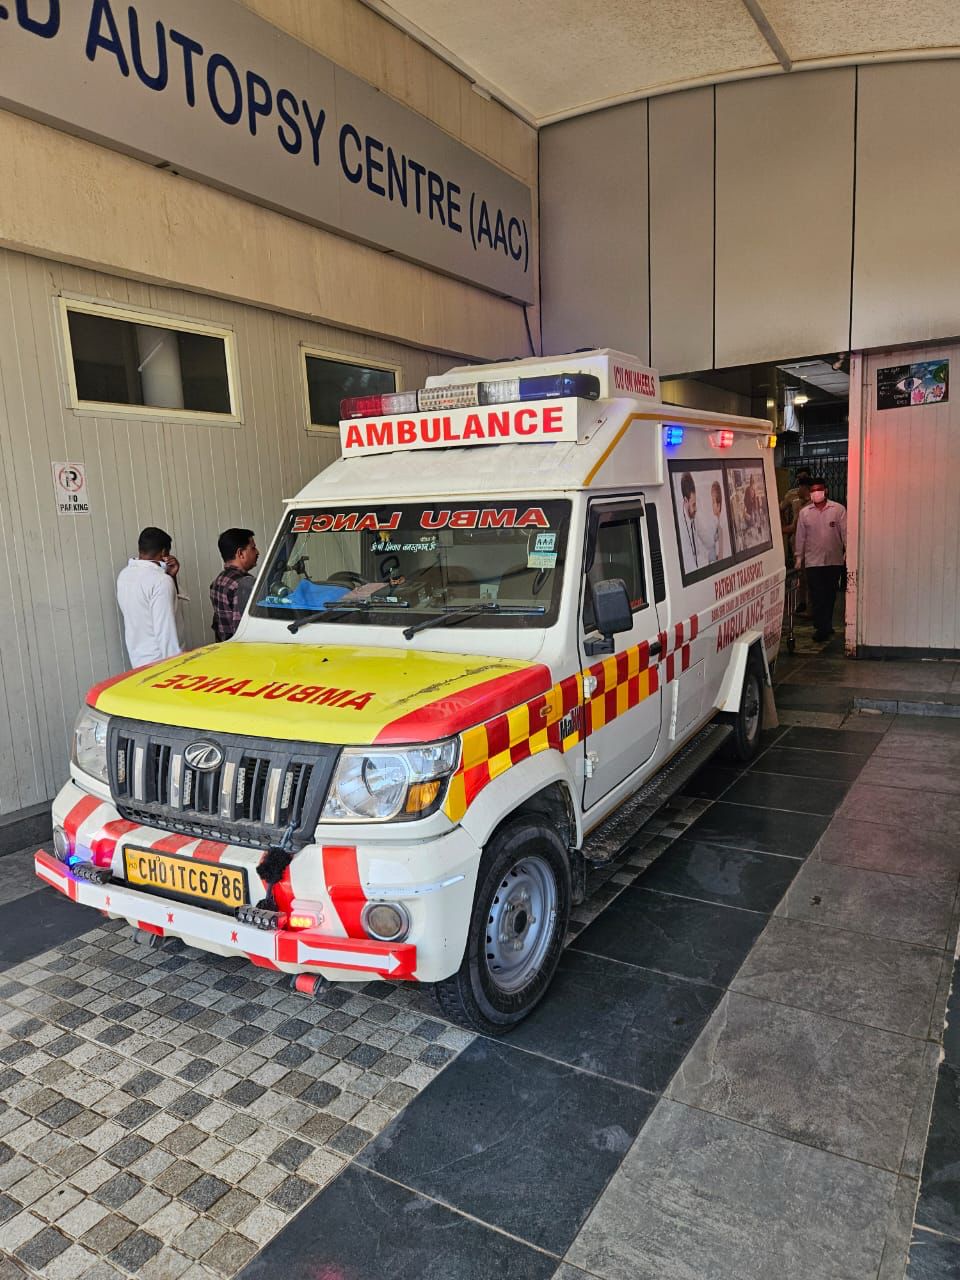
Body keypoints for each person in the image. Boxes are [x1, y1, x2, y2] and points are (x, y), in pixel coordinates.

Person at [116, 527, 183, 669]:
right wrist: (176, 667)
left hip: (137, 659)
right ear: (164, 553)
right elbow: (165, 631)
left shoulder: (124, 575)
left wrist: (171, 576)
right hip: (161, 661)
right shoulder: (161, 581)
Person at [794, 478, 846, 643]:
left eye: (819, 490)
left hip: (833, 560)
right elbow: (801, 537)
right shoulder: (804, 513)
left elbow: (845, 532)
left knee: (830, 594)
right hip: (813, 561)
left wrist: (847, 552)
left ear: (826, 491)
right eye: (813, 491)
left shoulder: (838, 510)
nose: (816, 493)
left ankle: (826, 624)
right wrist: (798, 557)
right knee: (817, 595)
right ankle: (821, 627)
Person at [210, 528, 259, 641]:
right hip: (241, 648)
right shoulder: (244, 585)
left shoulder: (218, 581)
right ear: (240, 553)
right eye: (253, 548)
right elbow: (244, 631)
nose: (257, 552)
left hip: (224, 646)